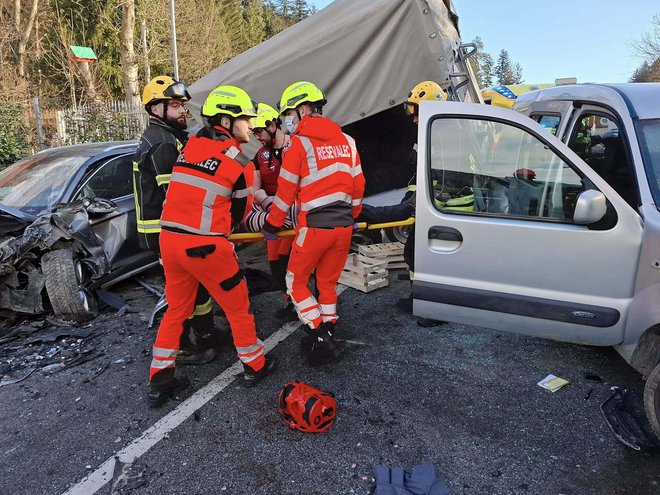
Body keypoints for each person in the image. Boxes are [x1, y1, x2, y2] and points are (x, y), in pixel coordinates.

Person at [147, 85, 276, 407]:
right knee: (238, 307)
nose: (251, 127)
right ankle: (255, 365)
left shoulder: (188, 147)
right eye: (246, 120)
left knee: (177, 310)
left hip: (170, 243)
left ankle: (161, 379)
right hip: (205, 247)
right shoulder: (241, 163)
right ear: (227, 120)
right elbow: (239, 216)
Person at [263, 81, 365, 366]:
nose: (287, 120)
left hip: (314, 228)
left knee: (295, 283)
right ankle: (329, 328)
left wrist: (271, 225)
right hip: (344, 228)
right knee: (328, 282)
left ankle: (320, 334)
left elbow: (284, 194)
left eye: (289, 113)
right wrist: (353, 217)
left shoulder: (299, 144)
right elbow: (359, 185)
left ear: (304, 109)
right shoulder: (348, 141)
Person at [134, 75, 225, 366]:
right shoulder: (161, 143)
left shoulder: (168, 137)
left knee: (196, 287)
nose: (182, 110)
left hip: (172, 230)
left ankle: (206, 335)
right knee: (184, 293)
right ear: (155, 109)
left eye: (183, 104)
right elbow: (176, 192)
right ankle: (185, 347)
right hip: (166, 231)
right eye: (174, 105)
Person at [359, 80, 447, 327]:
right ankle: (419, 298)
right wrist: (408, 200)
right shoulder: (429, 137)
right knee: (412, 254)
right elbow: (418, 179)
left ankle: (436, 309)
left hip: (447, 209)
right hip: (432, 207)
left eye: (417, 112)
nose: (415, 119)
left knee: (431, 262)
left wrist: (411, 205)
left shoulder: (444, 139)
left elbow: (442, 180)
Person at [251, 103, 293, 291]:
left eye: (259, 132)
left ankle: (297, 300)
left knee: (286, 257)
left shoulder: (295, 147)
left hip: (292, 213)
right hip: (271, 213)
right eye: (255, 133)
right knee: (274, 260)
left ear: (272, 126)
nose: (257, 137)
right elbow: (255, 185)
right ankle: (288, 299)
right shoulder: (260, 154)